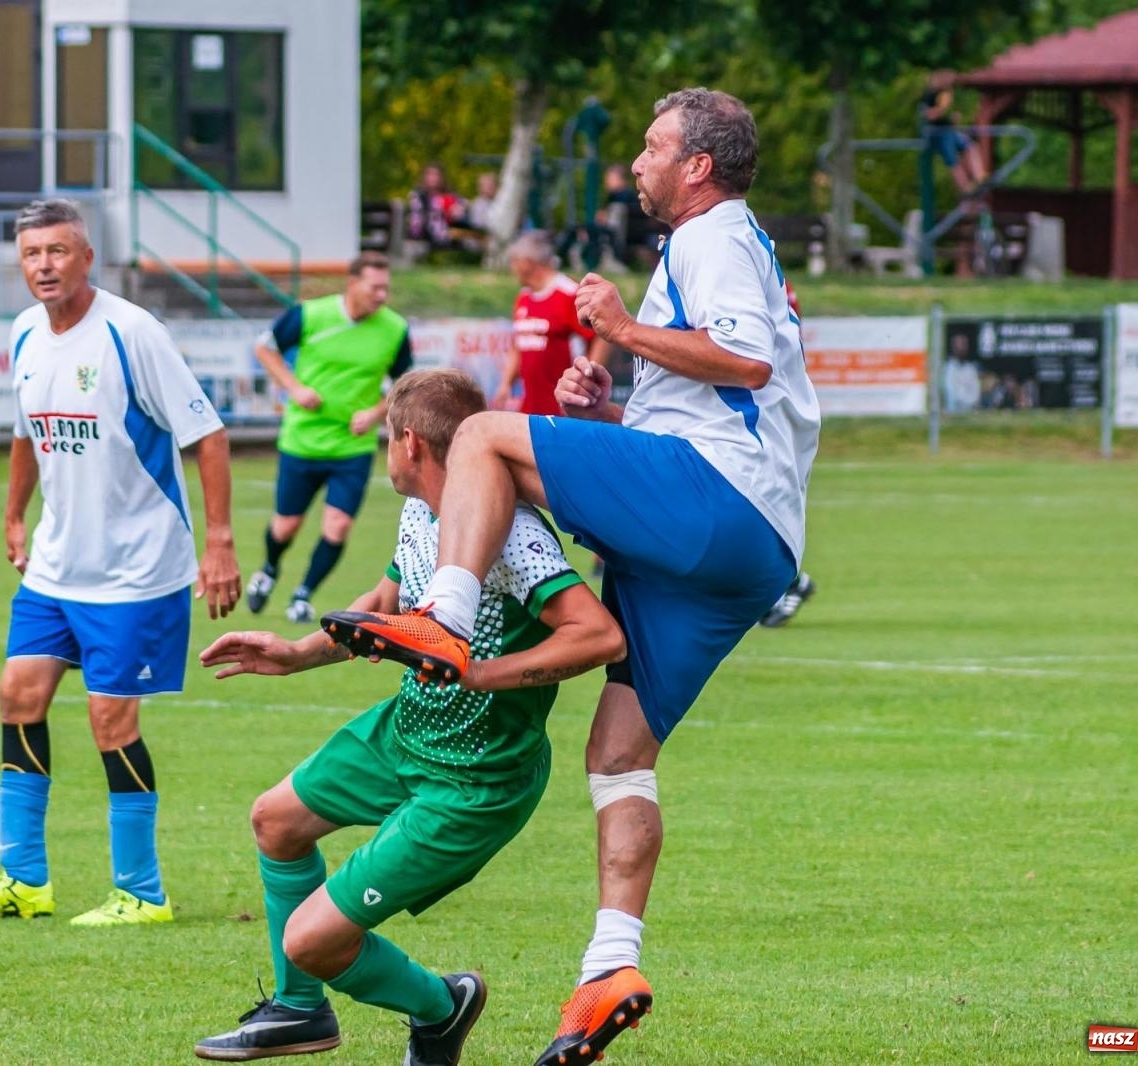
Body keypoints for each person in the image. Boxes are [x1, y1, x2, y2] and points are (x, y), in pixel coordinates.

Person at [322, 88, 821, 1065]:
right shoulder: (728, 243)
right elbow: (720, 402)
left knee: (481, 435)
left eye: (652, 146)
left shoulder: (712, 233)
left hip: (716, 500)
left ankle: (443, 615)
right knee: (618, 754)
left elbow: (746, 364)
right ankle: (609, 968)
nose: (636, 162)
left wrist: (622, 331)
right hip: (748, 544)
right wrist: (608, 412)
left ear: (699, 167)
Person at [193, 368, 625, 1063]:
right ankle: (300, 1010)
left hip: (475, 780)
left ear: (411, 444)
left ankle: (442, 1007)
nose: (384, 452)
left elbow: (598, 636)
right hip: (405, 732)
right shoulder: (422, 512)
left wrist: (476, 672)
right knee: (276, 820)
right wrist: (296, 653)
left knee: (311, 940)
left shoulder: (512, 532)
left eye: (387, 439)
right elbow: (386, 603)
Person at [0, 199, 241, 927]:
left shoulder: (132, 333)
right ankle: (24, 882)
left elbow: (207, 435)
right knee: (18, 694)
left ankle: (142, 892)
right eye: (31, 254)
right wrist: (15, 515)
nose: (44, 265)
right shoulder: (23, 333)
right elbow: (25, 436)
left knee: (110, 718)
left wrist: (220, 541)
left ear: (85, 257)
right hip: (55, 564)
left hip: (137, 569)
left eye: (57, 251)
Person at [245, 252, 413, 623]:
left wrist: (375, 413)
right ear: (352, 283)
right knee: (286, 525)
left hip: (352, 447)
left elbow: (404, 384)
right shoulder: (310, 315)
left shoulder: (395, 329)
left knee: (338, 526)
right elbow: (264, 348)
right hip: (302, 441)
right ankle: (269, 570)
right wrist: (293, 387)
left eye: (386, 288)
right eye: (375, 287)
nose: (382, 295)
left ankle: (303, 594)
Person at [492, 232, 611, 416]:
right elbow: (519, 345)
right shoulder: (523, 297)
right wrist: (506, 383)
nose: (512, 268)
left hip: (563, 409)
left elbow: (601, 337)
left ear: (528, 262)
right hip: (530, 407)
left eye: (514, 261)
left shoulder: (568, 293)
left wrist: (587, 379)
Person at [921, 71, 986, 195]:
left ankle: (979, 177)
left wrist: (952, 119)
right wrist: (942, 109)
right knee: (953, 160)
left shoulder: (947, 93)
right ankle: (965, 187)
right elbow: (929, 116)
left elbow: (943, 116)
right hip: (939, 133)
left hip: (949, 130)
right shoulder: (930, 95)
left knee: (971, 146)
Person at [405, 164, 463, 249]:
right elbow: (414, 219)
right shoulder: (417, 196)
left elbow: (461, 208)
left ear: (441, 178)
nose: (433, 178)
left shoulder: (449, 197)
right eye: (430, 174)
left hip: (444, 240)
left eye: (436, 175)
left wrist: (458, 210)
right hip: (419, 238)